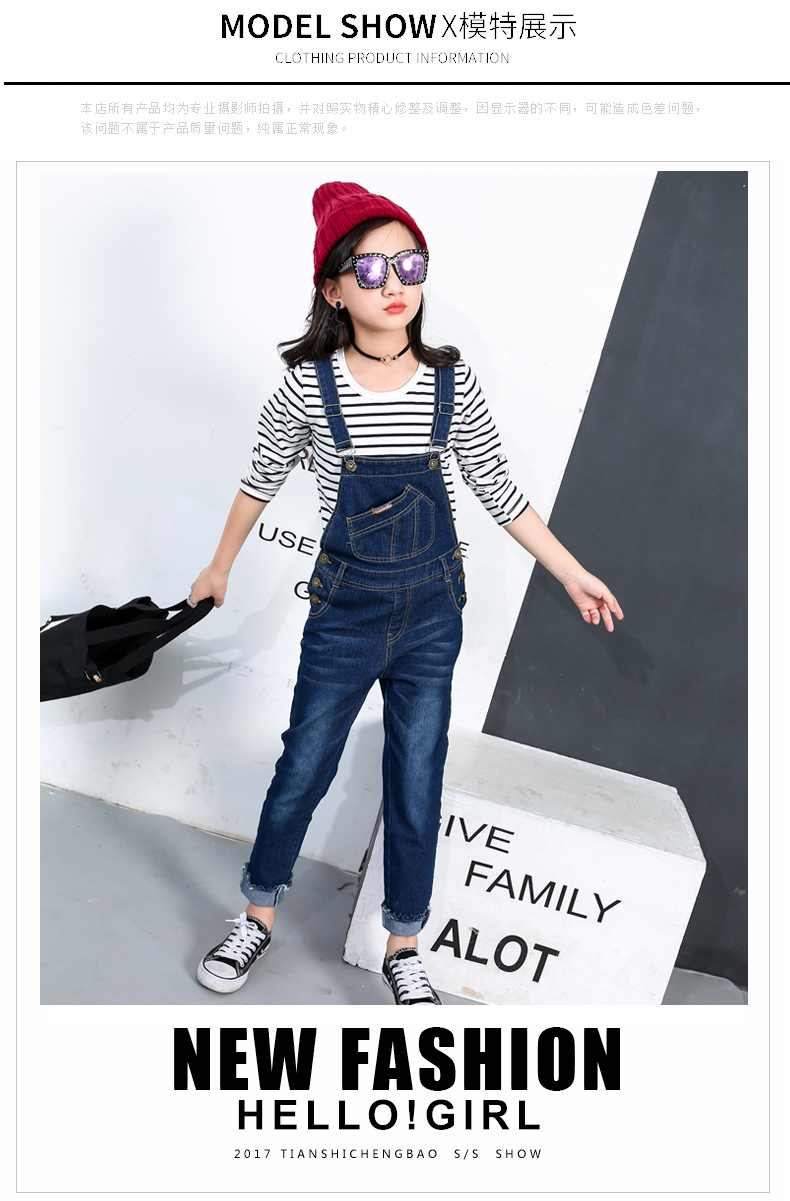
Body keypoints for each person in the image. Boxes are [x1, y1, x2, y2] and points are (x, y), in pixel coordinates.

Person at [189, 181, 623, 1005]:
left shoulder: (449, 383)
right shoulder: (308, 387)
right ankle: (257, 913)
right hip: (344, 615)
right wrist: (220, 566)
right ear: (333, 288)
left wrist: (570, 570)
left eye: (409, 263)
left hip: (430, 616)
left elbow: (499, 490)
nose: (394, 283)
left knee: (417, 777)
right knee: (303, 766)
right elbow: (259, 478)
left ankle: (404, 943)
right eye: (371, 268)